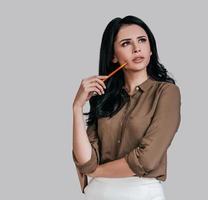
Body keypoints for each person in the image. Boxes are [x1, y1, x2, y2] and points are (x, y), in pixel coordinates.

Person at [72, 15, 181, 200]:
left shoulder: (166, 93)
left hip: (141, 193)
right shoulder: (104, 98)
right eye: (126, 43)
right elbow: (86, 162)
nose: (137, 48)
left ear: (151, 49)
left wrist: (96, 172)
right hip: (97, 194)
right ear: (114, 56)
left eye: (142, 40)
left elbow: (146, 160)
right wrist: (76, 107)